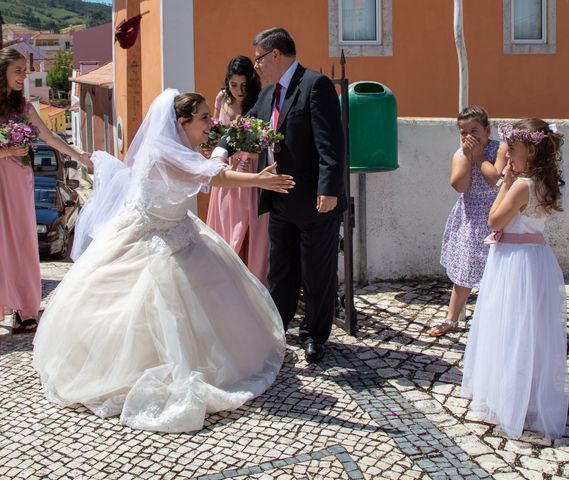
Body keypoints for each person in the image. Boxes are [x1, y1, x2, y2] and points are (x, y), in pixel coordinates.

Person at [33, 89, 295, 433]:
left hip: (179, 231)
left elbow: (205, 165)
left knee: (209, 298)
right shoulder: (163, 153)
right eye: (203, 117)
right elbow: (212, 176)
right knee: (145, 307)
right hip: (149, 237)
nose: (210, 122)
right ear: (182, 123)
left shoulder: (181, 147)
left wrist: (224, 152)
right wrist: (259, 179)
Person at [213, 28, 345, 363]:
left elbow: (331, 142)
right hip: (279, 198)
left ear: (275, 55)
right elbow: (243, 128)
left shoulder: (315, 85)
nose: (256, 66)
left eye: (258, 59)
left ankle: (315, 335)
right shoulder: (269, 94)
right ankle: (278, 327)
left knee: (316, 272)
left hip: (314, 200)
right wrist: (219, 151)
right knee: (281, 271)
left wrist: (329, 189)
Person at [461, 118, 568, 439]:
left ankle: (509, 397)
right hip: (535, 259)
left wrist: (505, 182)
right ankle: (528, 393)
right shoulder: (545, 182)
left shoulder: (522, 185)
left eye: (514, 151)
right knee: (530, 329)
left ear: (532, 151)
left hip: (515, 263)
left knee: (510, 328)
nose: (507, 157)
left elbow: (494, 219)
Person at [0, 48, 91, 333]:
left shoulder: (25, 108)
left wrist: (79, 157)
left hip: (18, 184)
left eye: (25, 72)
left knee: (23, 243)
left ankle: (25, 308)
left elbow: (50, 137)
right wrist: (7, 151)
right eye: (18, 71)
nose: (23, 77)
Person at [431, 106, 507, 336]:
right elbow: (460, 186)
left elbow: (495, 179)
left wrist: (479, 156)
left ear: (487, 130)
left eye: (474, 130)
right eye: (463, 132)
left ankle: (499, 317)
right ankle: (451, 318)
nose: (469, 136)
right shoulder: (460, 154)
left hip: (498, 211)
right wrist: (467, 157)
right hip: (471, 216)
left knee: (499, 268)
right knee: (466, 267)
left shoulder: (501, 149)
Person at [206, 56, 269, 284]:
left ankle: (253, 286)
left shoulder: (259, 100)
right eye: (234, 85)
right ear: (227, 82)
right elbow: (214, 129)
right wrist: (211, 146)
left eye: (243, 85)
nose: (239, 91)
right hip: (226, 172)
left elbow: (266, 140)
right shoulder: (221, 98)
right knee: (227, 229)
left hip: (251, 171)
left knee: (252, 231)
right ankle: (228, 285)